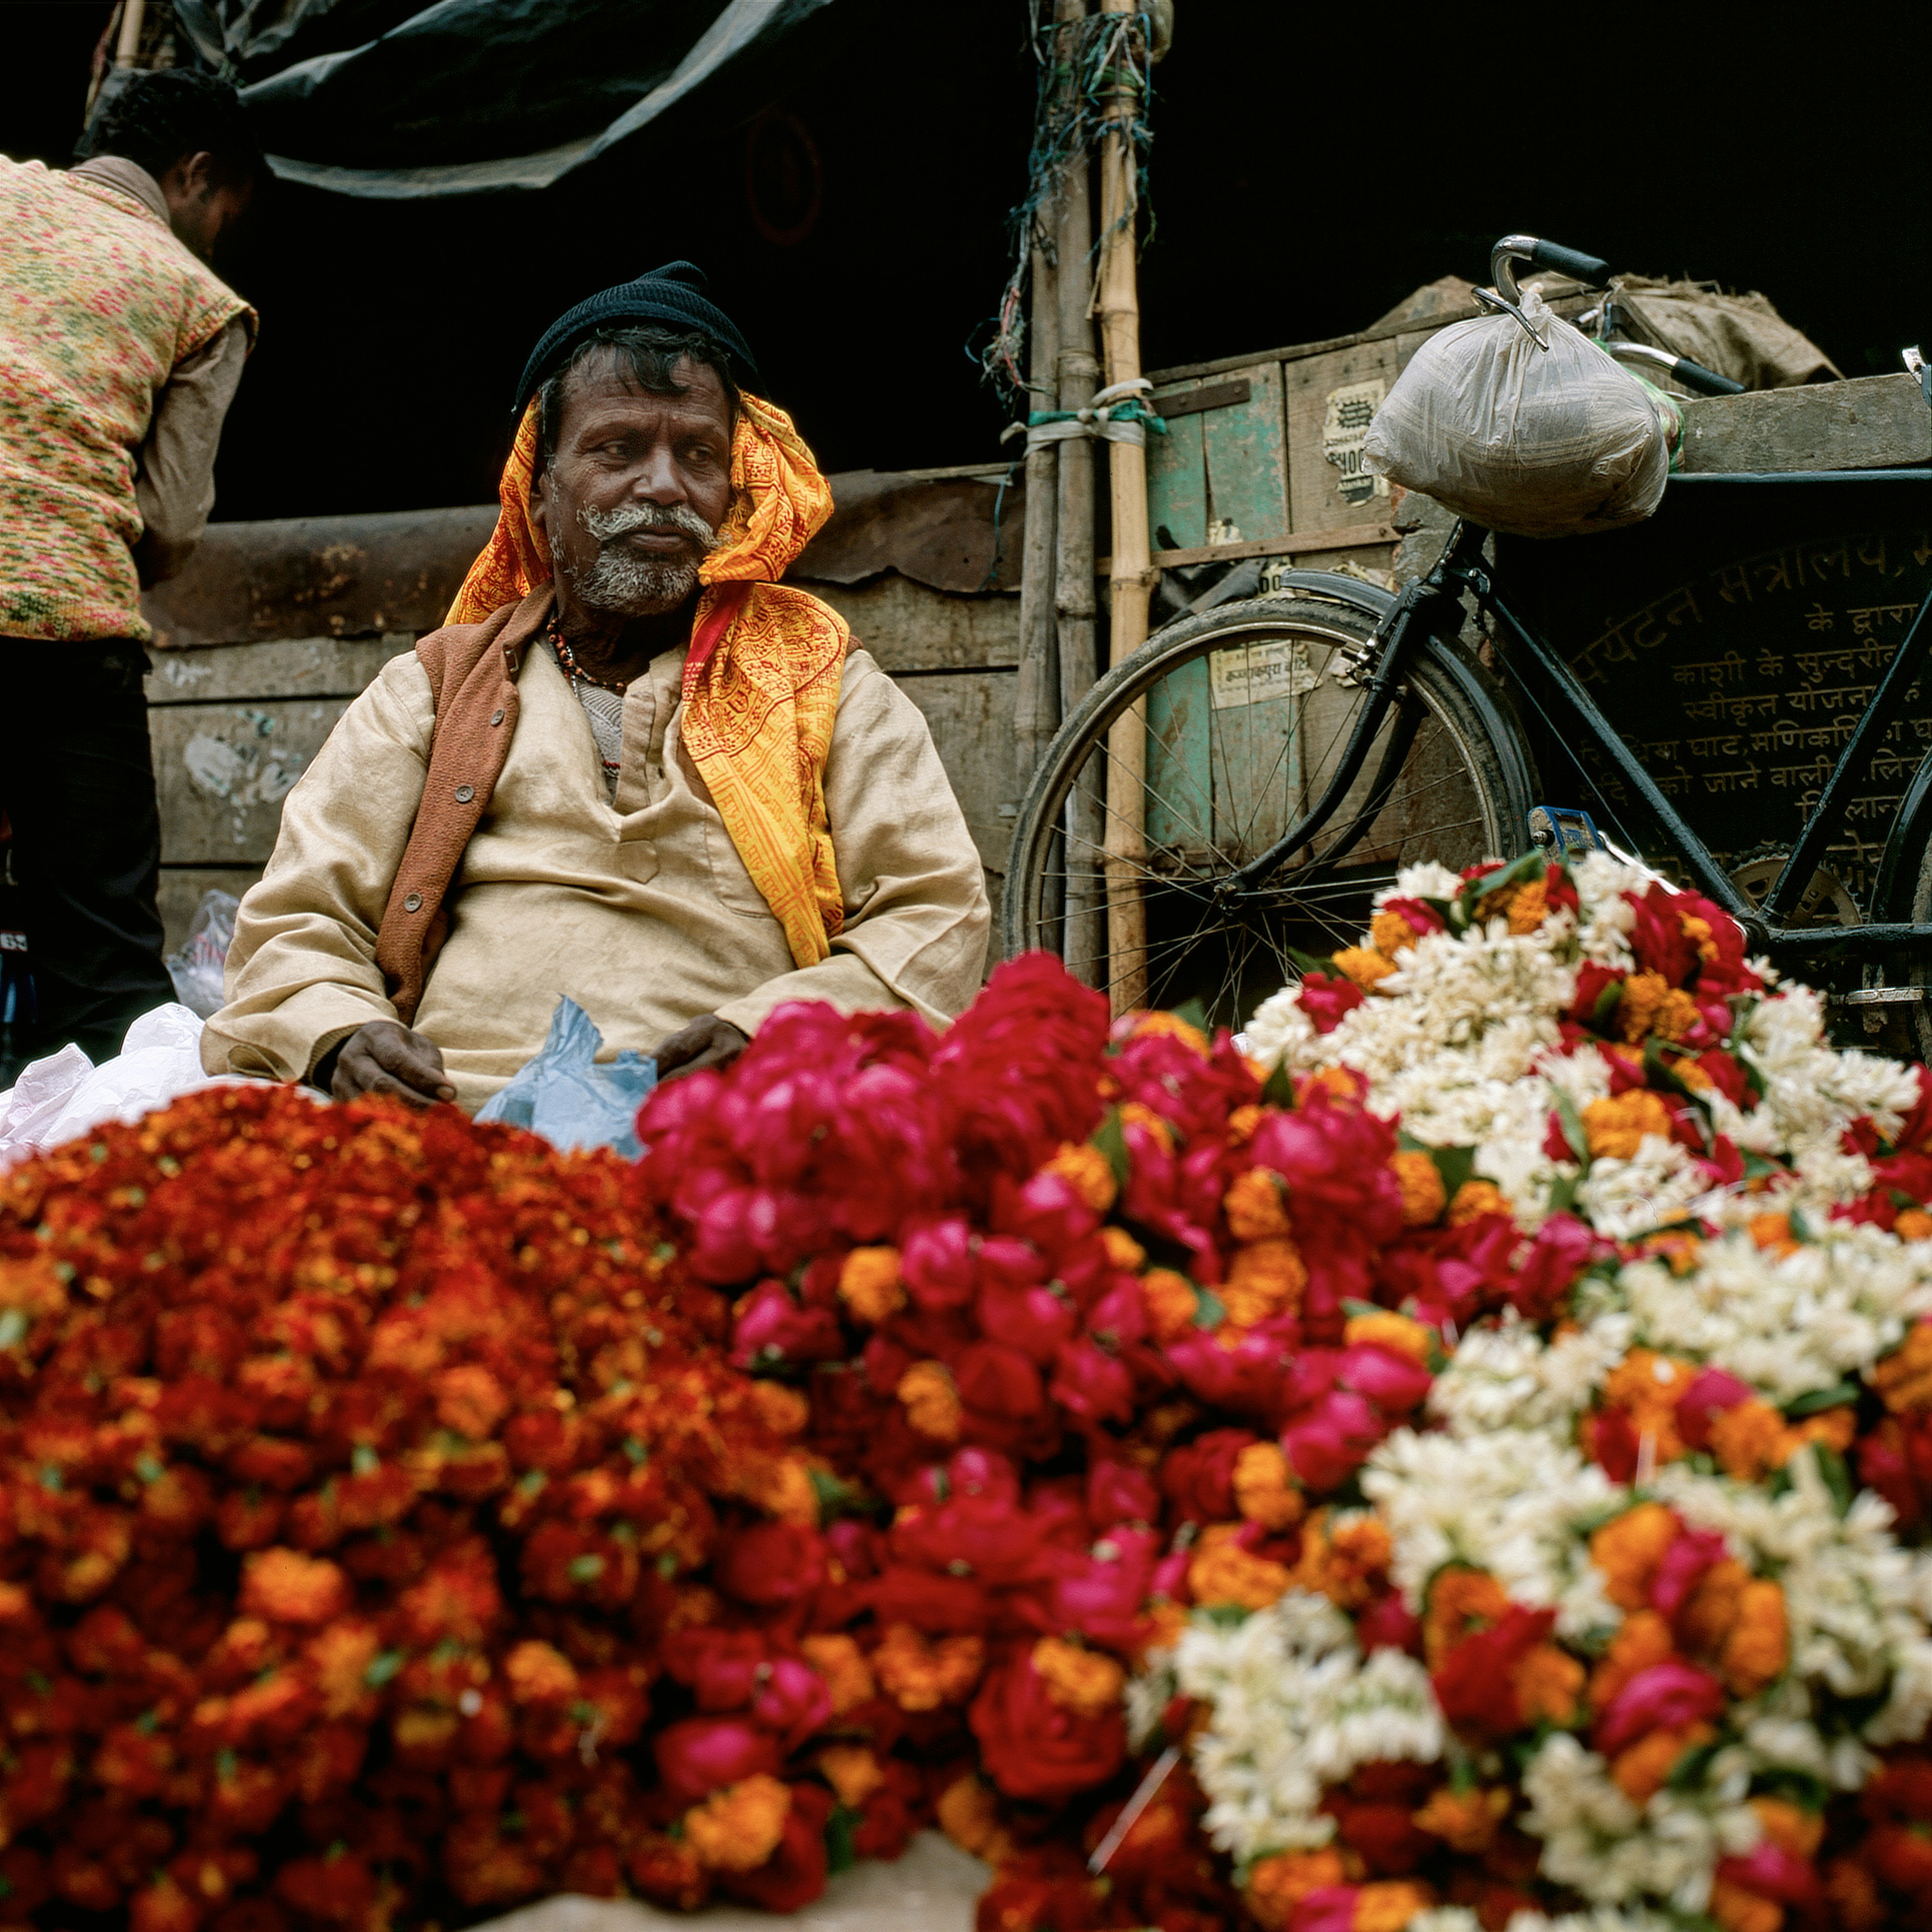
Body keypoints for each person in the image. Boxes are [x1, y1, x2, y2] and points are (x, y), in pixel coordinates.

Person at [202, 264, 990, 1109]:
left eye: (697, 454)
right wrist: (342, 1035)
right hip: (449, 1119)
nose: (662, 486)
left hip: (725, 1128)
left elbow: (933, 913)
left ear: (732, 493)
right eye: (617, 449)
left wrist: (770, 1037)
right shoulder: (437, 686)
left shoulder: (821, 680)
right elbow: (296, 920)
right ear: (538, 494)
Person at [0, 69, 262, 1082]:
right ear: (195, 175)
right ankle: (109, 1195)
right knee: (101, 970)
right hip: (70, 644)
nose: (216, 237)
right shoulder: (202, 298)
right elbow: (169, 520)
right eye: (224, 214)